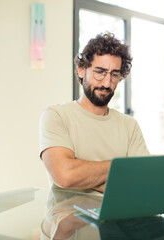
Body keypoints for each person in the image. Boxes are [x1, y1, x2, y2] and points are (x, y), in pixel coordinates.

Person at [39, 33, 149, 193]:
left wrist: (85, 176)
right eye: (100, 72)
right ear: (82, 70)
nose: (106, 82)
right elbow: (65, 175)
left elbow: (143, 181)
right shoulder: (56, 116)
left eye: (114, 74)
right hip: (69, 215)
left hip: (121, 213)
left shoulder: (129, 126)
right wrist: (121, 167)